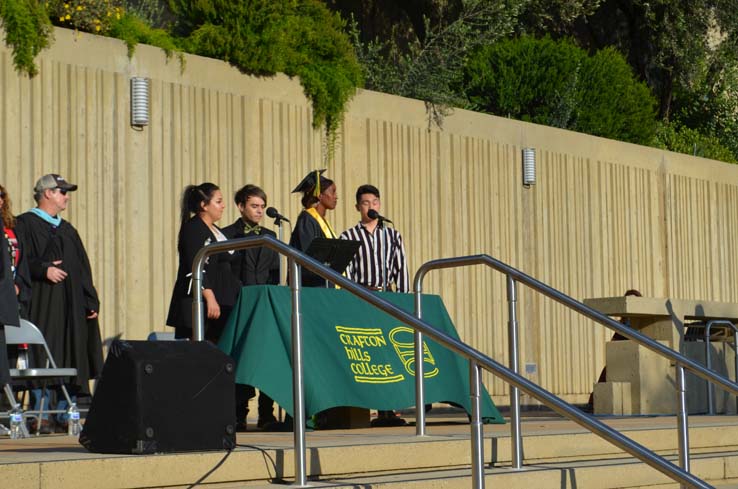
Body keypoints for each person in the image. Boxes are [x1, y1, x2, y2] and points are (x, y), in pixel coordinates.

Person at [14, 174, 104, 431]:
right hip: (44, 303)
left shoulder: (68, 230)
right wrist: (42, 270)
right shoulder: (26, 224)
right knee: (44, 352)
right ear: (47, 194)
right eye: (62, 191)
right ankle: (40, 413)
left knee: (71, 353)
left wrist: (90, 300)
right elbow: (18, 262)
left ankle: (67, 414)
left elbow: (83, 269)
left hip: (71, 305)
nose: (66, 197)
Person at [340, 184, 409, 427]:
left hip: (387, 297)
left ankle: (388, 408)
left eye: (375, 202)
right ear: (358, 206)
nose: (371, 206)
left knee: (389, 353)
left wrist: (404, 300)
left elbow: (401, 269)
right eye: (366, 203)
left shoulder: (392, 235)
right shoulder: (348, 236)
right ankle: (369, 405)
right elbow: (344, 272)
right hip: (361, 297)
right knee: (370, 354)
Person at [222, 184, 280, 430]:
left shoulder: (270, 236)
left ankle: (268, 414)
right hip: (239, 304)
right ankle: (238, 414)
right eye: (254, 206)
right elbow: (224, 273)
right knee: (240, 360)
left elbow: (275, 273)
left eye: (262, 207)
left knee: (267, 359)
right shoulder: (227, 234)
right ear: (241, 206)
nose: (259, 211)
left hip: (263, 305)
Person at [166, 183, 241, 342]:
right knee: (201, 352)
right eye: (219, 201)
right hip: (204, 303)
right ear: (204, 205)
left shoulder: (215, 230)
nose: (223, 206)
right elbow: (194, 264)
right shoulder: (193, 228)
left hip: (224, 302)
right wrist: (209, 296)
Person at [289, 169, 339, 287]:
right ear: (320, 195)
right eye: (333, 192)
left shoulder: (320, 221)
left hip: (324, 285)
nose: (336, 197)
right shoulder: (307, 220)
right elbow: (310, 255)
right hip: (313, 287)